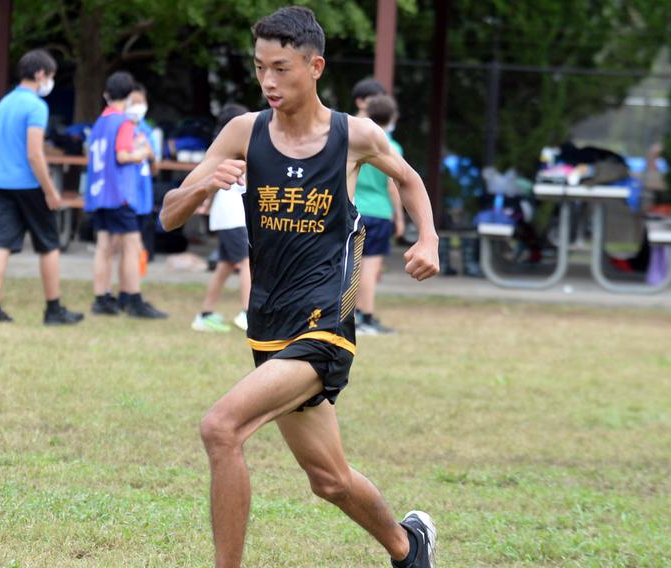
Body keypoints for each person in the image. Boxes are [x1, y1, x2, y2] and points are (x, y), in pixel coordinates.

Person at [159, 7, 439, 568]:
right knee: (329, 480)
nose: (268, 81)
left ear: (314, 67)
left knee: (221, 429)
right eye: (260, 67)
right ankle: (409, 547)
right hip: (269, 325)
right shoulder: (244, 132)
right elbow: (168, 215)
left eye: (281, 68)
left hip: (326, 325)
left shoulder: (353, 136)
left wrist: (428, 237)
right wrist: (200, 188)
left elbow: (407, 177)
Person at [0, 49, 83, 326]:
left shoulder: (5, 102)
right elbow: (34, 154)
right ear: (40, 74)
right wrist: (51, 191)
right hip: (27, 183)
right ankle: (53, 310)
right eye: (50, 76)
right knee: (49, 245)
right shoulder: (36, 106)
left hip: (0, 181)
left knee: (2, 244)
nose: (49, 82)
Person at [85, 72, 166, 319]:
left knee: (103, 246)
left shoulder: (100, 122)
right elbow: (122, 156)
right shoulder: (123, 123)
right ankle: (133, 298)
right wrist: (141, 153)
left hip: (99, 193)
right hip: (119, 193)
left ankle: (101, 297)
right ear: (130, 96)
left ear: (106, 95)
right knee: (132, 245)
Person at [192, 103, 252, 333]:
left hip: (231, 216)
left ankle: (205, 314)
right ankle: (248, 314)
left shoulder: (239, 147)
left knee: (225, 266)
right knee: (247, 262)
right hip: (232, 216)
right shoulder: (228, 149)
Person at [354, 94, 406, 335]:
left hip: (354, 209)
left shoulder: (355, 142)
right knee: (370, 268)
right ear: (392, 117)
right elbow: (393, 185)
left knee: (351, 267)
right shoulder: (391, 147)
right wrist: (400, 216)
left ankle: (349, 315)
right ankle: (367, 317)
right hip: (379, 212)